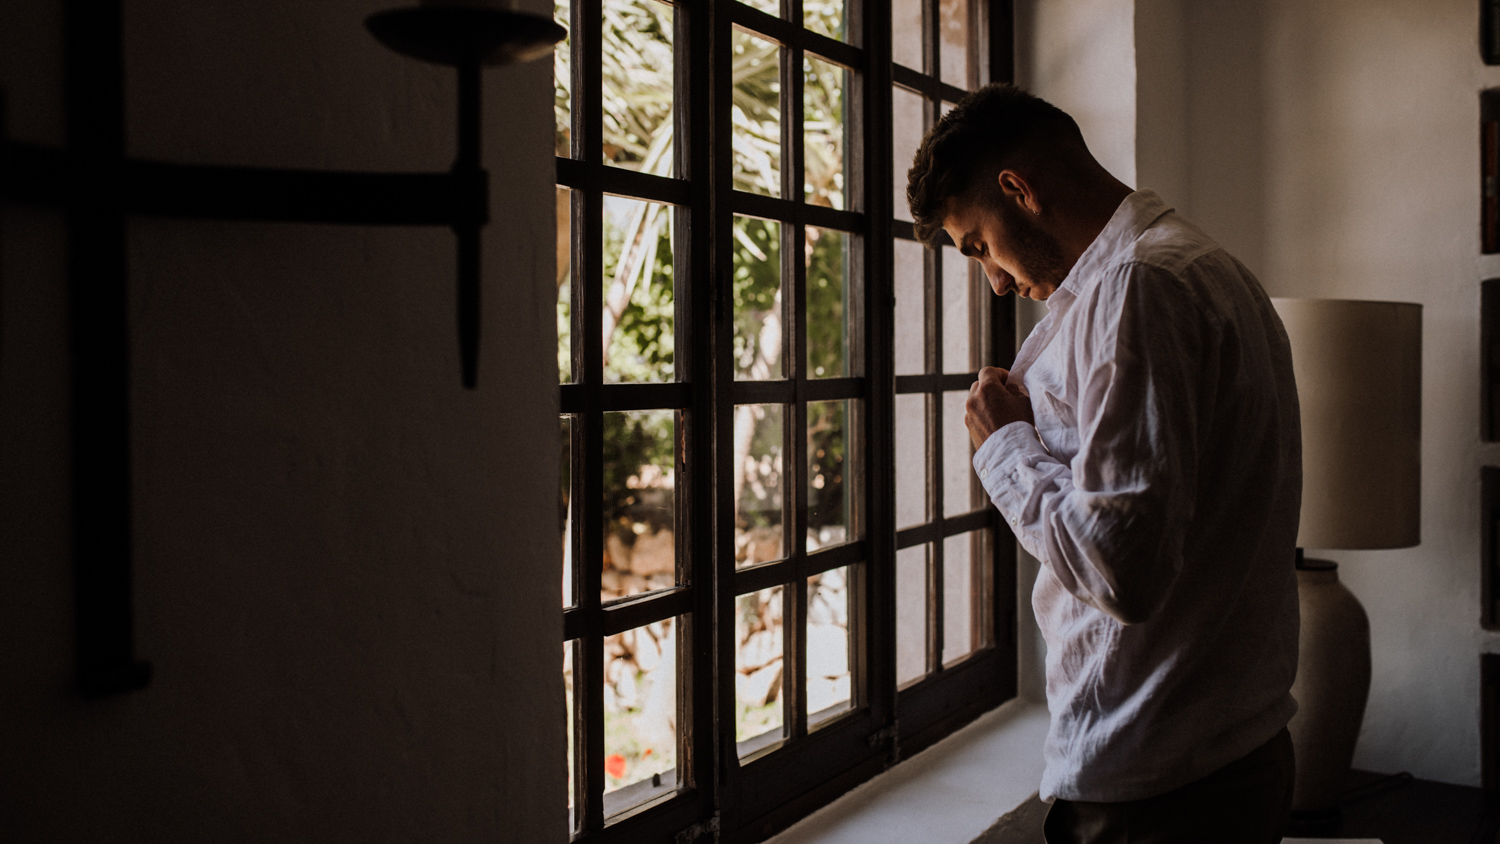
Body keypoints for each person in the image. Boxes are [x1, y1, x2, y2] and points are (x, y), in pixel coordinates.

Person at [906, 83, 1302, 843]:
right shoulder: (1206, 268)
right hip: (1222, 748)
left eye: (979, 244)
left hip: (1158, 781)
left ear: (1018, 190)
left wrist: (1005, 446)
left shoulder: (1141, 288)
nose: (992, 279)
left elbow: (1121, 570)